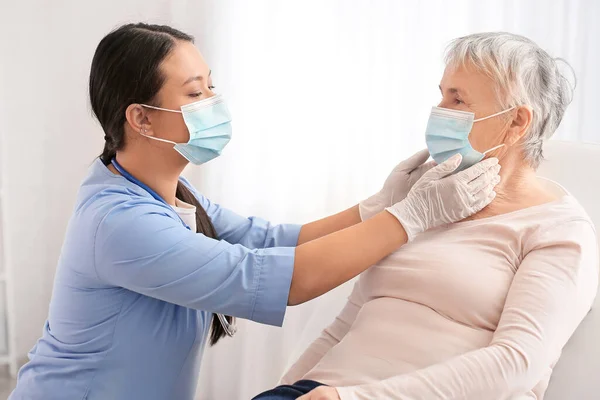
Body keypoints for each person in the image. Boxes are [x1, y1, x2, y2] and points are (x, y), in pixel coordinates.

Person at [8, 24, 500, 400]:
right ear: (140, 117)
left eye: (211, 87)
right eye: (195, 93)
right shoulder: (119, 223)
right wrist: (411, 218)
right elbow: (280, 278)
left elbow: (269, 239)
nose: (214, 104)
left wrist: (378, 206)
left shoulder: (169, 195)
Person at [253, 32, 599, 400]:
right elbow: (346, 325)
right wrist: (283, 389)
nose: (440, 110)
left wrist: (350, 398)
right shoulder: (432, 202)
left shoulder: (557, 231)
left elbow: (516, 364)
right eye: (442, 94)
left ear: (516, 122)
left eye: (458, 99)